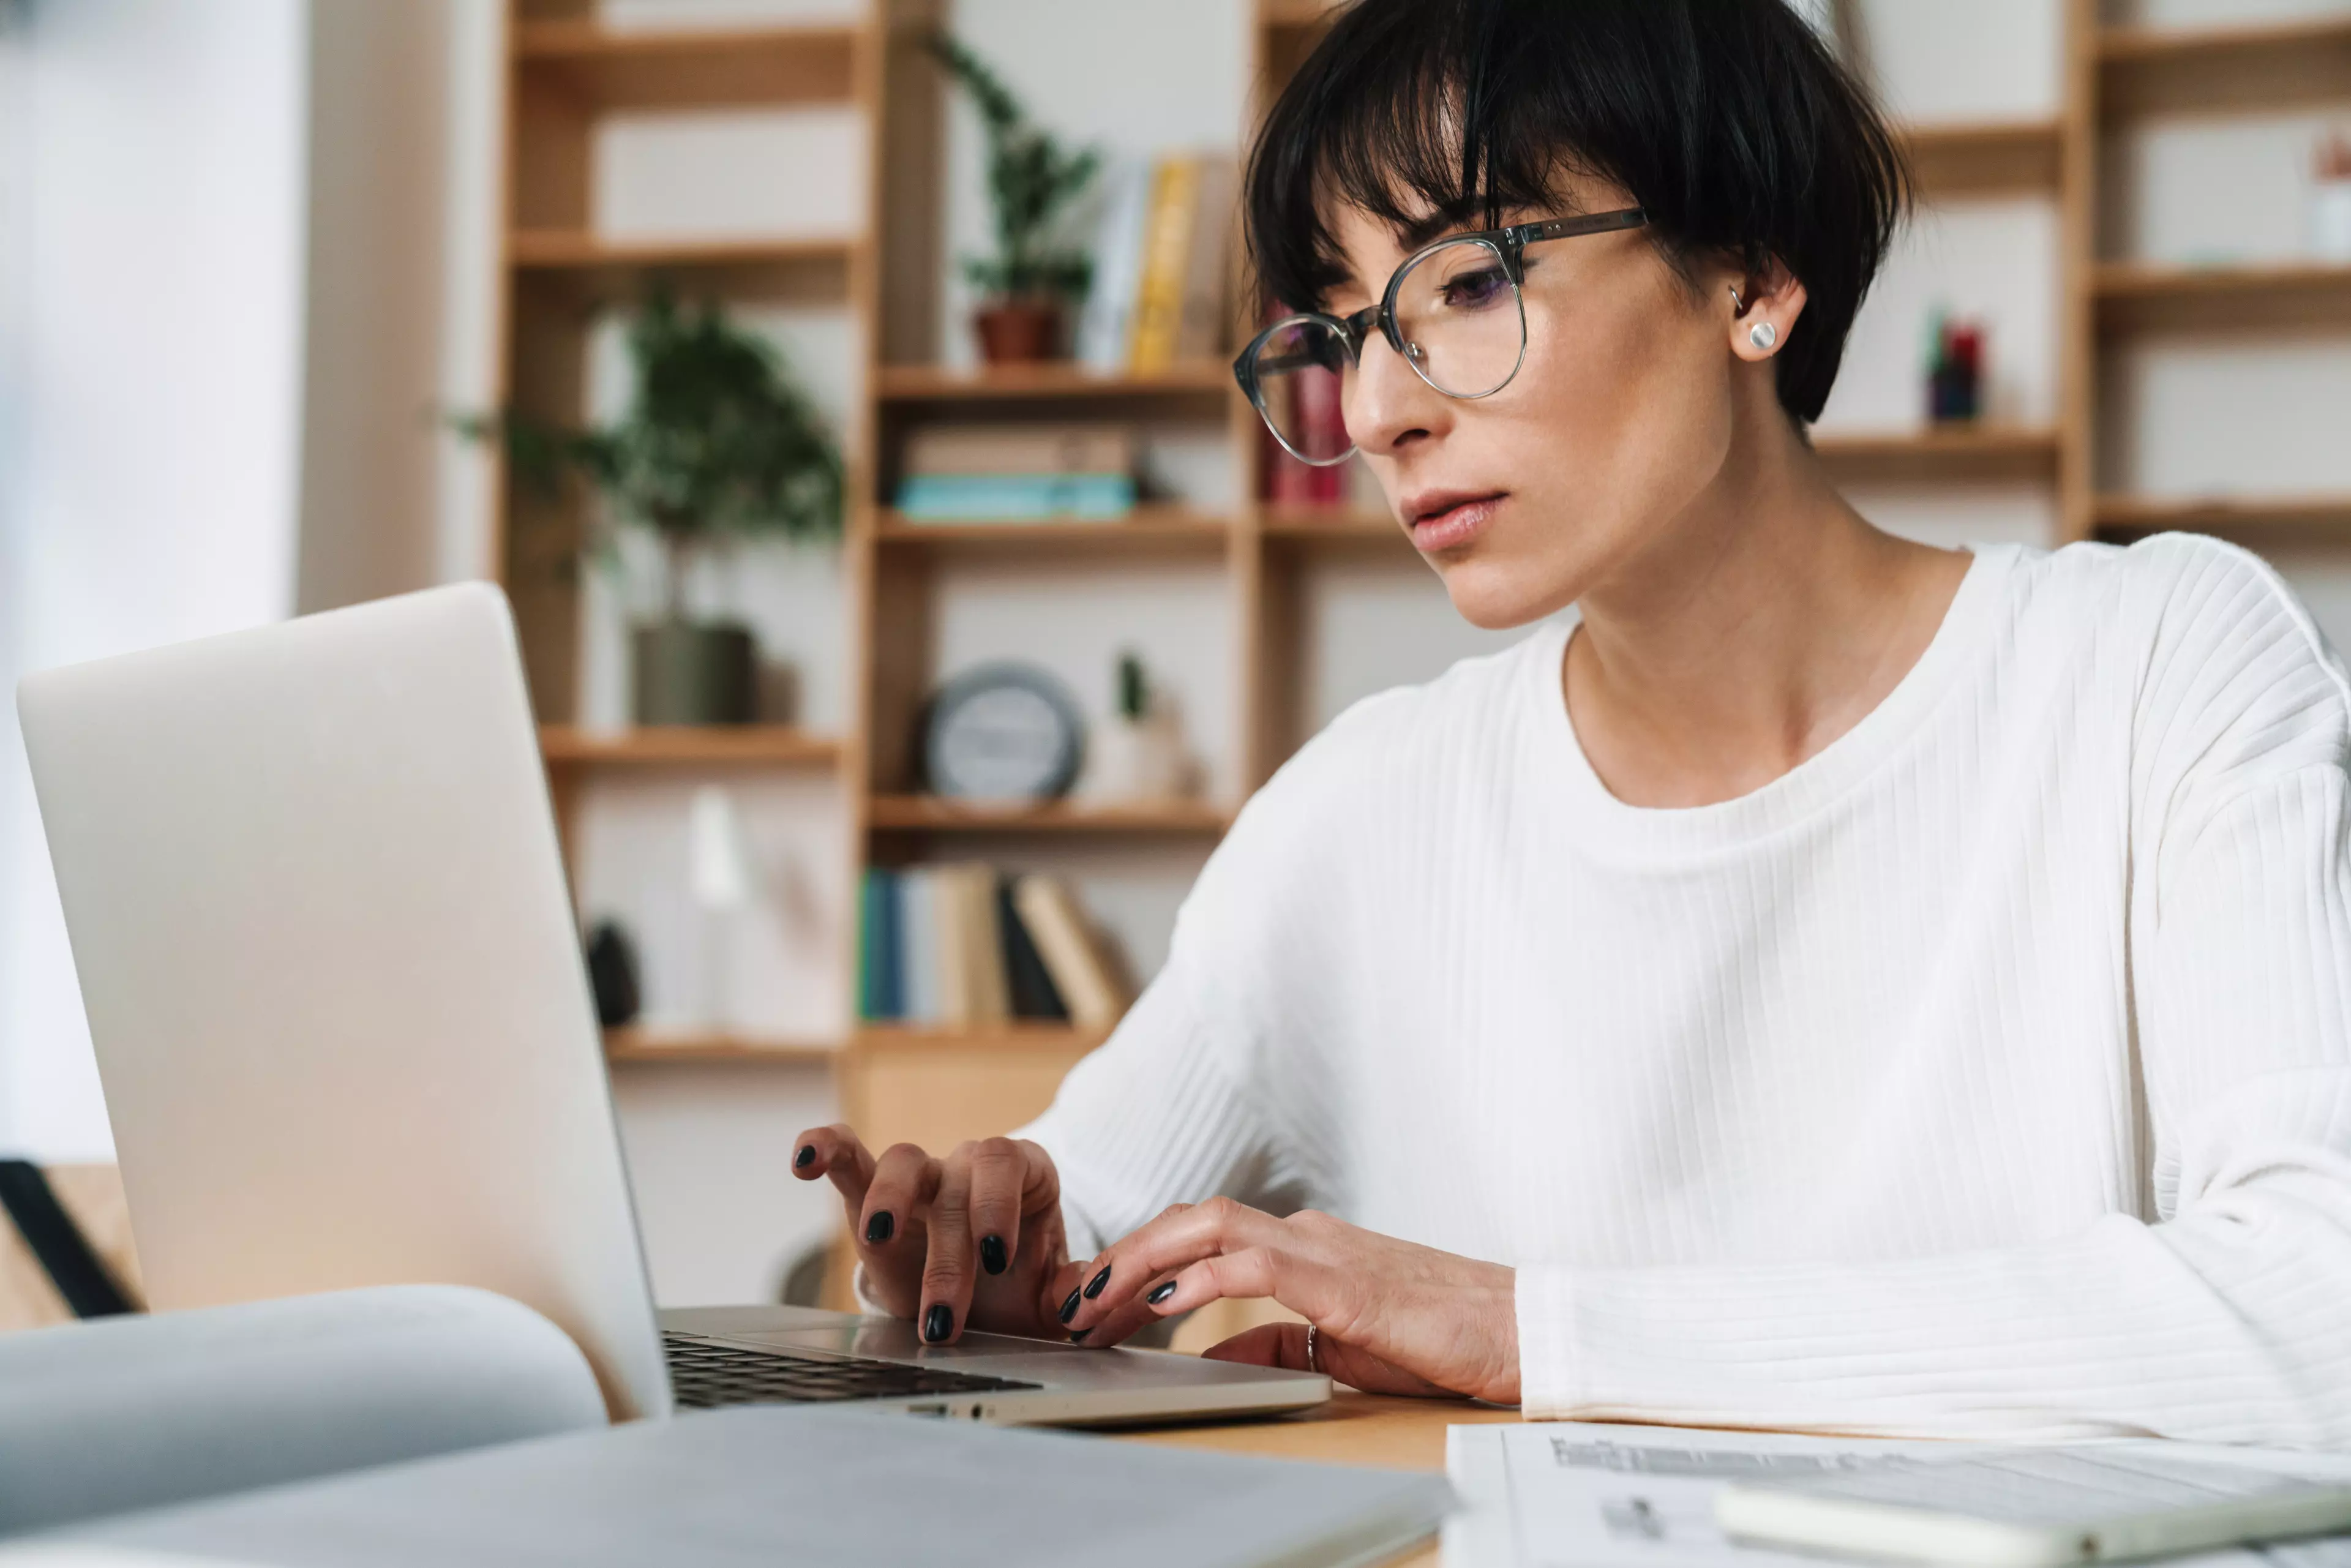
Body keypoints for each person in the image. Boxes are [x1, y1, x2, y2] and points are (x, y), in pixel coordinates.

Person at [795, 0, 2351, 1441]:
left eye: (1466, 284)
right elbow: (1073, 1259)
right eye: (1340, 333)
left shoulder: (2159, 667)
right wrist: (988, 1276)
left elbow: (2318, 1315)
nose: (1381, 411)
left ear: (1750, 274)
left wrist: (1532, 1328)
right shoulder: (1362, 812)